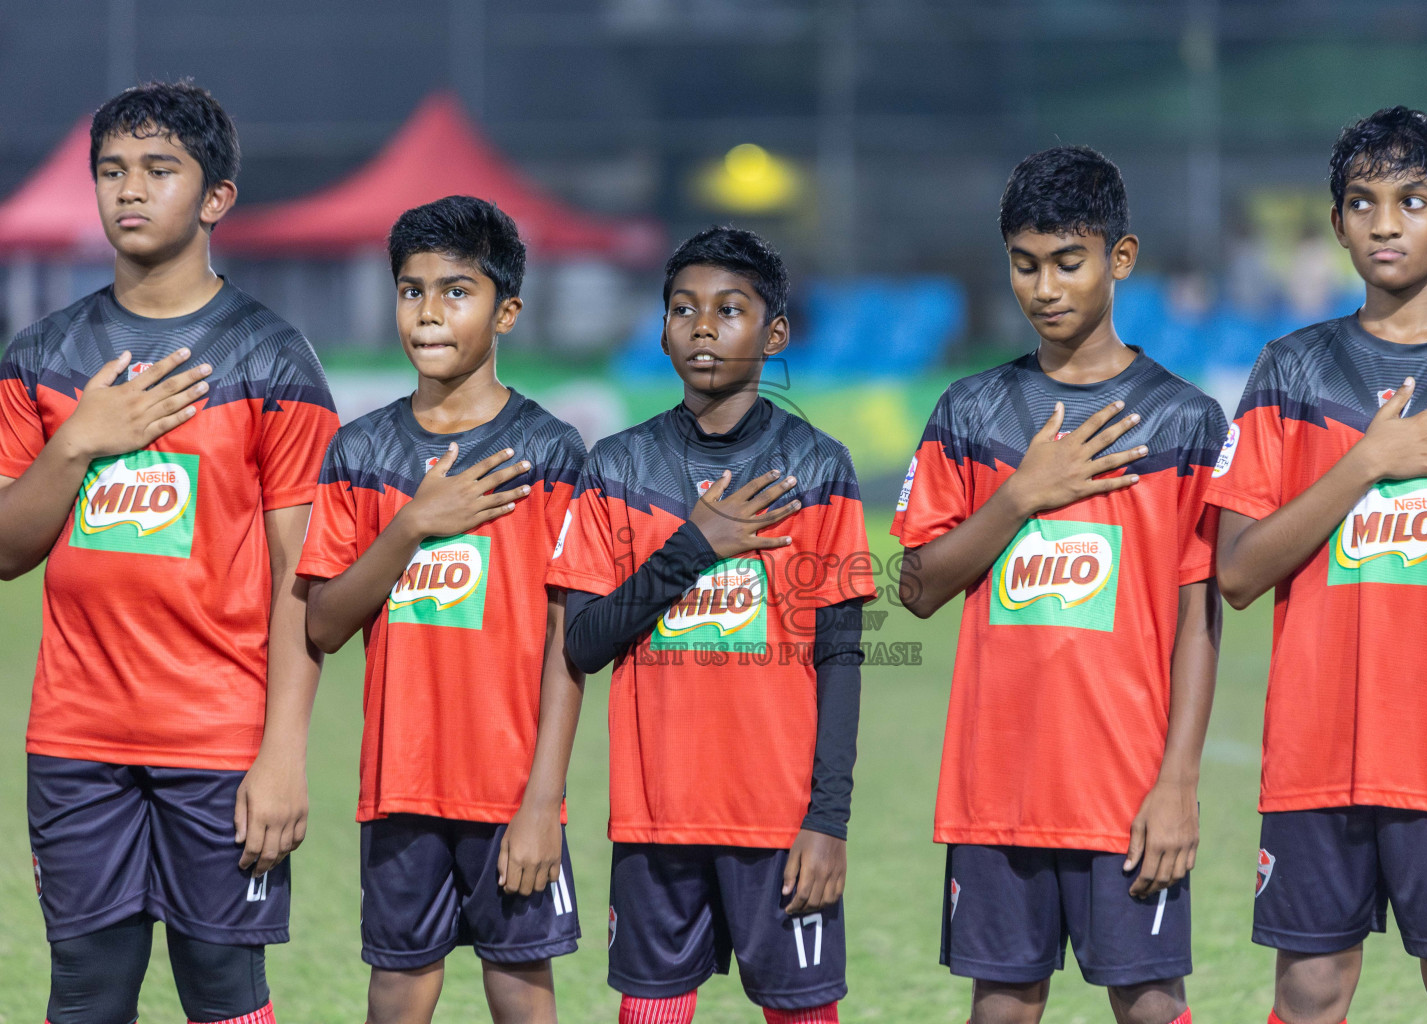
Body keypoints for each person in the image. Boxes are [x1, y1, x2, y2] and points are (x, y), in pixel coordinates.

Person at [0, 81, 337, 1024]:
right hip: (74, 740)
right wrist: (78, 442)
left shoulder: (271, 360)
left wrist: (281, 756)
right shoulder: (43, 356)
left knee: (225, 993)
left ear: (217, 198)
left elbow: (300, 579)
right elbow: (5, 551)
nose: (129, 191)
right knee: (86, 994)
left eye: (159, 170)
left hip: (220, 743)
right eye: (111, 171)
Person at [1209, 106, 1427, 1024]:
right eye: (1362, 201)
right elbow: (1235, 573)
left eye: (1412, 200)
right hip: (1318, 754)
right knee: (1311, 990)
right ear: (1338, 221)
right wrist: (1365, 462)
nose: (1384, 222)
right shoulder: (1292, 372)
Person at [893, 146, 1226, 1024]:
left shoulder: (1184, 420)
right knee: (1002, 1005)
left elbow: (1200, 619)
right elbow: (917, 585)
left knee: (1151, 1003)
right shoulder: (972, 413)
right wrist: (1020, 497)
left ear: (1121, 259)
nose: (1044, 286)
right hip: (997, 788)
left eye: (1068, 262)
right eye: (1025, 264)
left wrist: (1179, 784)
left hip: (1127, 789)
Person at [548, 226, 875, 1024]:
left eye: (730, 310)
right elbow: (584, 643)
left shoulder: (818, 467)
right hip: (658, 815)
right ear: (659, 330)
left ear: (774, 335)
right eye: (684, 309)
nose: (703, 326)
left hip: (779, 819)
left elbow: (839, 657)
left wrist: (827, 822)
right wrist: (695, 543)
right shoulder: (619, 468)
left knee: (801, 1009)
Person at [296, 196, 587, 1024]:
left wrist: (544, 802)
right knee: (396, 987)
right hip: (400, 785)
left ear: (507, 312)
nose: (428, 311)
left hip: (511, 792)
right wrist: (413, 524)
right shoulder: (362, 452)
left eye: (456, 291)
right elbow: (323, 624)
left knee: (521, 986)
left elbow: (569, 643)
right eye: (411, 290)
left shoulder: (551, 452)